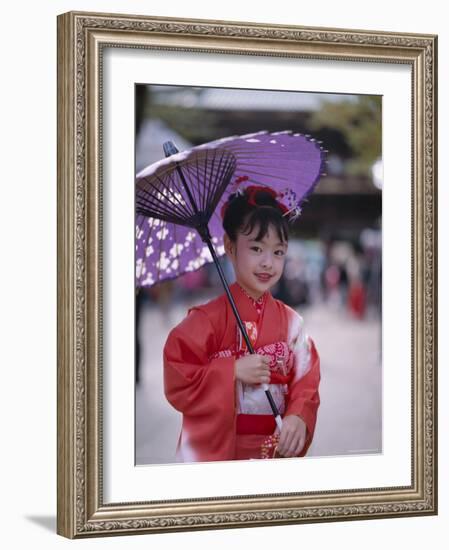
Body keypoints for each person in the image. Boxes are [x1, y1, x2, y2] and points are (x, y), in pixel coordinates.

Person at [163, 185, 320, 462]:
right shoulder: (204, 320)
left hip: (274, 448)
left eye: (278, 252)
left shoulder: (293, 323)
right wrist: (231, 370)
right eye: (257, 248)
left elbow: (306, 378)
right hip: (218, 452)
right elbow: (178, 376)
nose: (268, 263)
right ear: (229, 246)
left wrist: (298, 415)